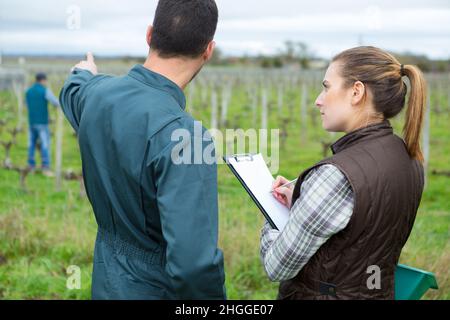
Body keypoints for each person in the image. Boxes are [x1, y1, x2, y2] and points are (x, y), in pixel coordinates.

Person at [59, 0, 225, 299]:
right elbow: (193, 267)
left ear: (149, 35)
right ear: (208, 51)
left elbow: (72, 91)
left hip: (106, 278)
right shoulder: (187, 137)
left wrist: (83, 71)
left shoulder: (96, 95)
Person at [261, 46, 426, 299]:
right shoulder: (409, 158)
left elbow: (277, 266)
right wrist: (303, 199)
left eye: (327, 87)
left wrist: (270, 211)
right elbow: (362, 225)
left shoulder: (335, 176)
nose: (319, 99)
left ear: (356, 92)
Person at [25, 72, 60, 177]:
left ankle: (31, 166)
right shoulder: (45, 91)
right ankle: (46, 167)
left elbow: (26, 105)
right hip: (42, 122)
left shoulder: (28, 91)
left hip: (31, 121)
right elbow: (55, 102)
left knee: (31, 144)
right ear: (43, 80)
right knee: (45, 144)